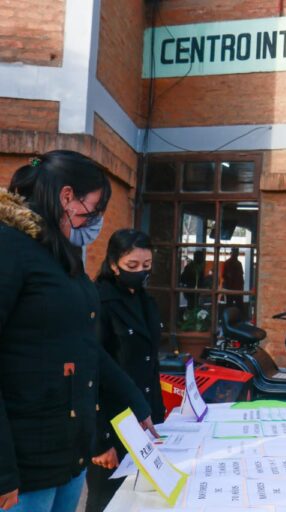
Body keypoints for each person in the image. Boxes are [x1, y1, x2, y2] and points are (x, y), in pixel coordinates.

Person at [0, 151, 156, 512]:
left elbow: (84, 345)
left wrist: (134, 400)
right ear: (66, 196)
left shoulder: (58, 252)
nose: (95, 220)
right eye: (94, 208)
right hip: (25, 465)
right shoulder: (10, 248)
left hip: (67, 455)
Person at [86, 229, 166, 512]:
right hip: (112, 422)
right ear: (112, 264)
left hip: (145, 420)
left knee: (142, 500)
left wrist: (158, 417)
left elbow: (150, 363)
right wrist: (99, 440)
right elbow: (91, 372)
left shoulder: (146, 301)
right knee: (106, 502)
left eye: (147, 266)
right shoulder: (99, 302)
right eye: (132, 266)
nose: (141, 273)